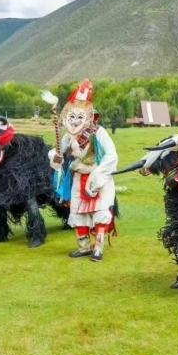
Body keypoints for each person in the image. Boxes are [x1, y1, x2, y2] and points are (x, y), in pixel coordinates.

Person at [48, 79, 118, 262]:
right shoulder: (68, 136)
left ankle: (98, 248)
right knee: (78, 212)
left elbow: (111, 156)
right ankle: (84, 247)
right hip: (78, 178)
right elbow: (58, 152)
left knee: (101, 211)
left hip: (98, 179)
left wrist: (98, 175)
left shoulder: (99, 133)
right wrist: (55, 157)